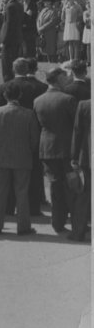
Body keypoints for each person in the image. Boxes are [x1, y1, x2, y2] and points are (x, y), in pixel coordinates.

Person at [0, 83, 41, 235]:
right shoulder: (29, 113)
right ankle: (23, 226)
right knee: (22, 193)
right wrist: (28, 150)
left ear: (5, 95)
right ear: (20, 95)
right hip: (22, 157)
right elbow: (34, 139)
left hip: (0, 156)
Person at [33, 66, 79, 234]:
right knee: (73, 186)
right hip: (66, 148)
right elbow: (76, 126)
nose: (67, 79)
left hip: (47, 147)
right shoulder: (68, 100)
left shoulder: (38, 100)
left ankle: (57, 222)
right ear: (58, 79)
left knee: (55, 186)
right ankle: (76, 221)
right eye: (65, 77)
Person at [69, 97, 90, 241]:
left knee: (83, 196)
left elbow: (77, 131)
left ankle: (78, 232)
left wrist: (74, 156)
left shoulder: (84, 105)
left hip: (87, 156)